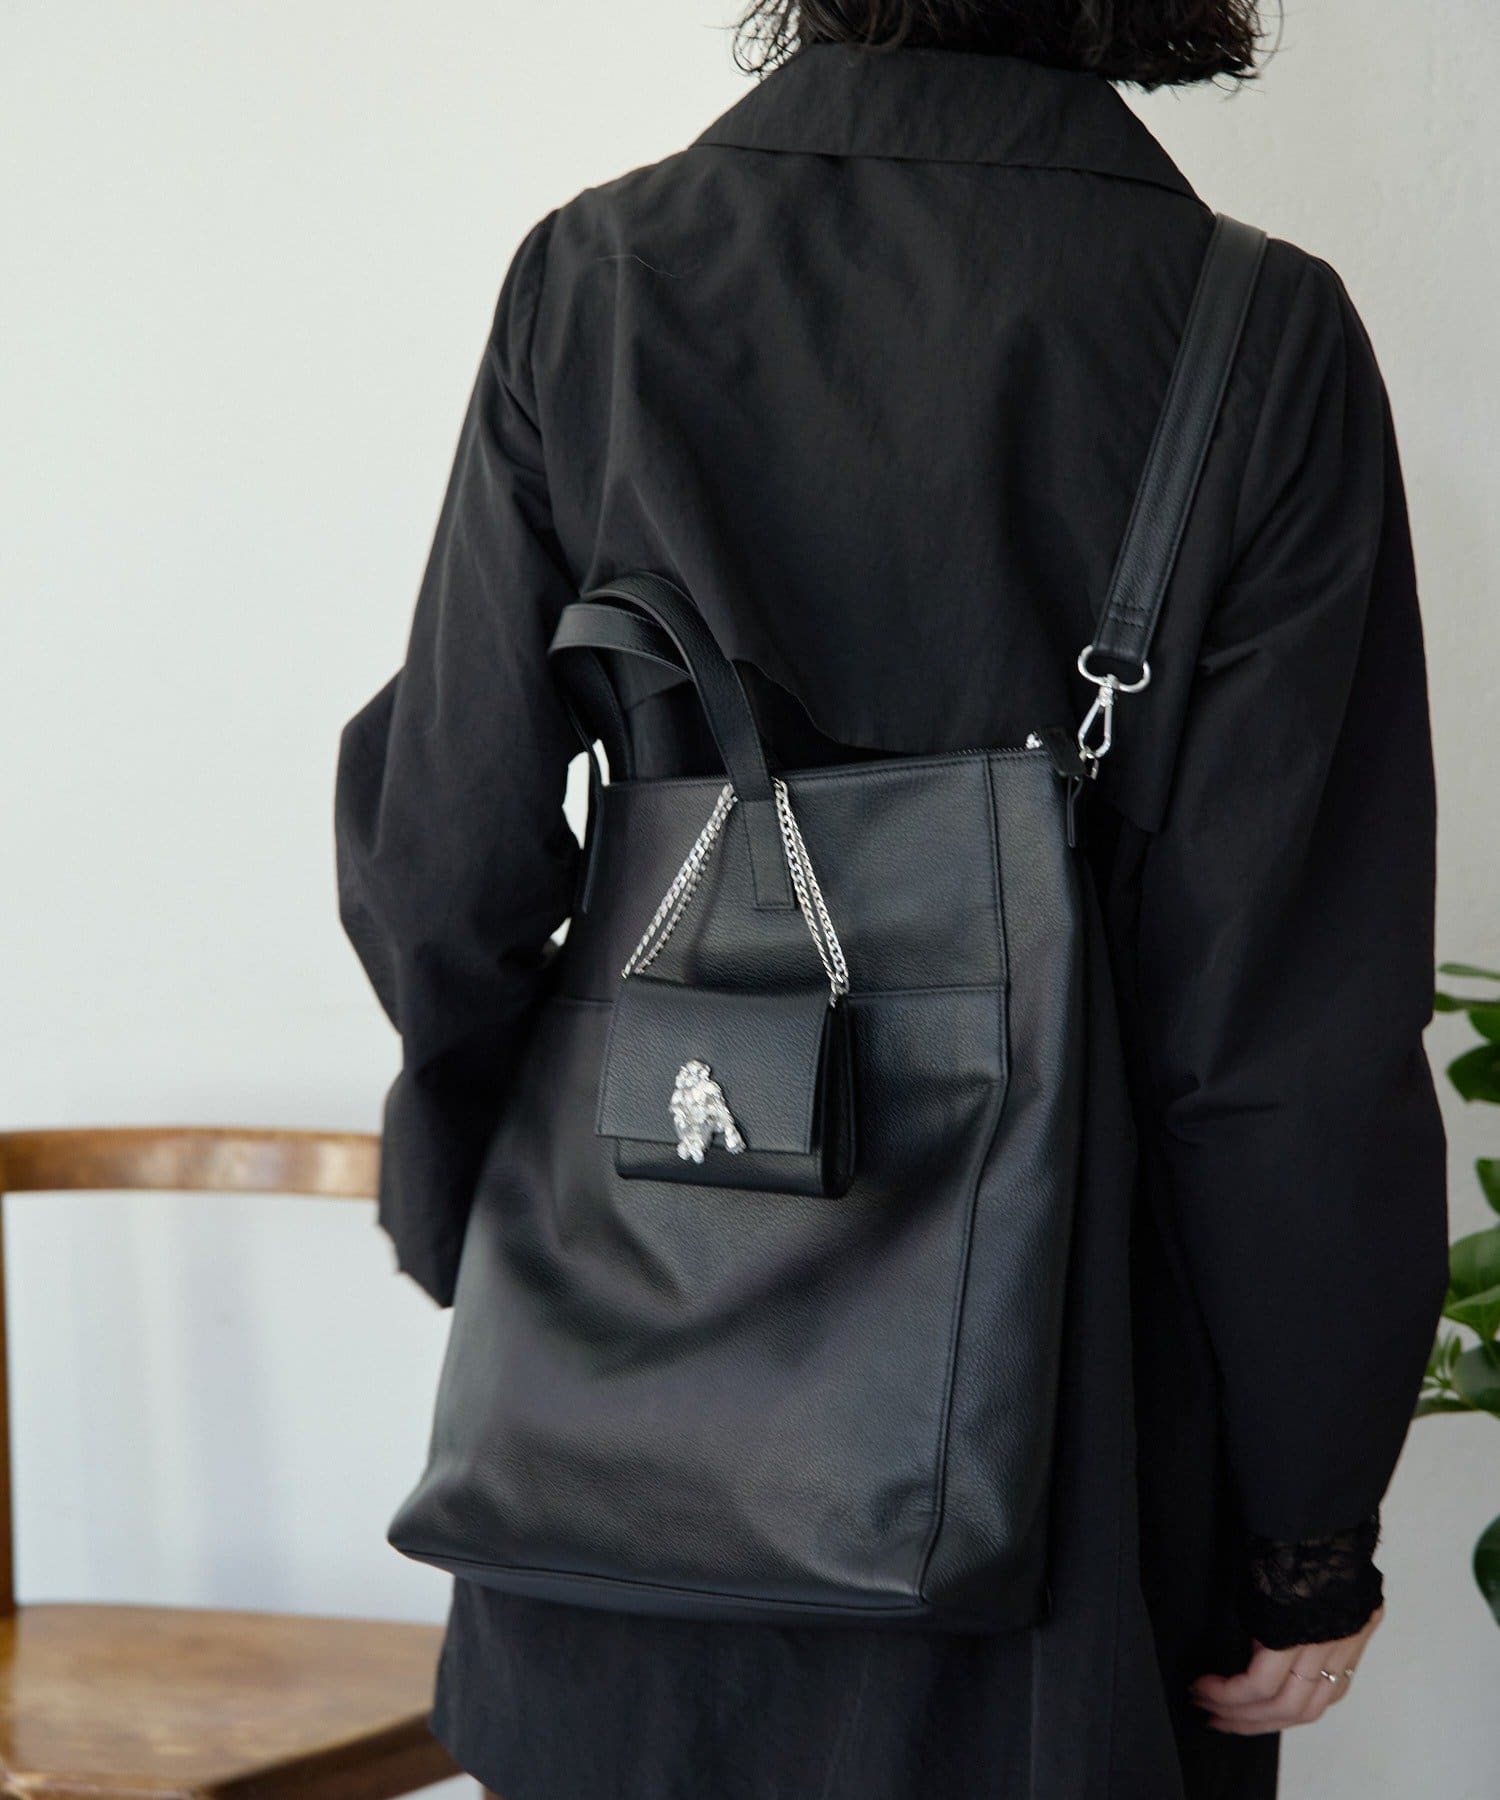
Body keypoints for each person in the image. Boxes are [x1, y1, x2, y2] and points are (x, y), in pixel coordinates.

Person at [334, 5, 1449, 1795]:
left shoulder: (595, 274)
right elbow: (1286, 1017)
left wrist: (475, 1209)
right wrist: (1308, 1525)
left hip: (624, 1420)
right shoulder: (1258, 328)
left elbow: (444, 854)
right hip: (1065, 1454)